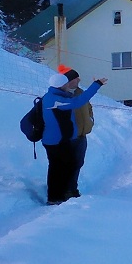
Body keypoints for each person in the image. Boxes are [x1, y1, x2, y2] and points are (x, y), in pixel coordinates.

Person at [41, 68, 106, 205]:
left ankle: (58, 195)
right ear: (62, 85)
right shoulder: (56, 100)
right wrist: (97, 84)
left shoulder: (53, 96)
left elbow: (83, 104)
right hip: (56, 141)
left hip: (57, 140)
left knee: (59, 167)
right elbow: (78, 102)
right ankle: (56, 197)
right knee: (60, 168)